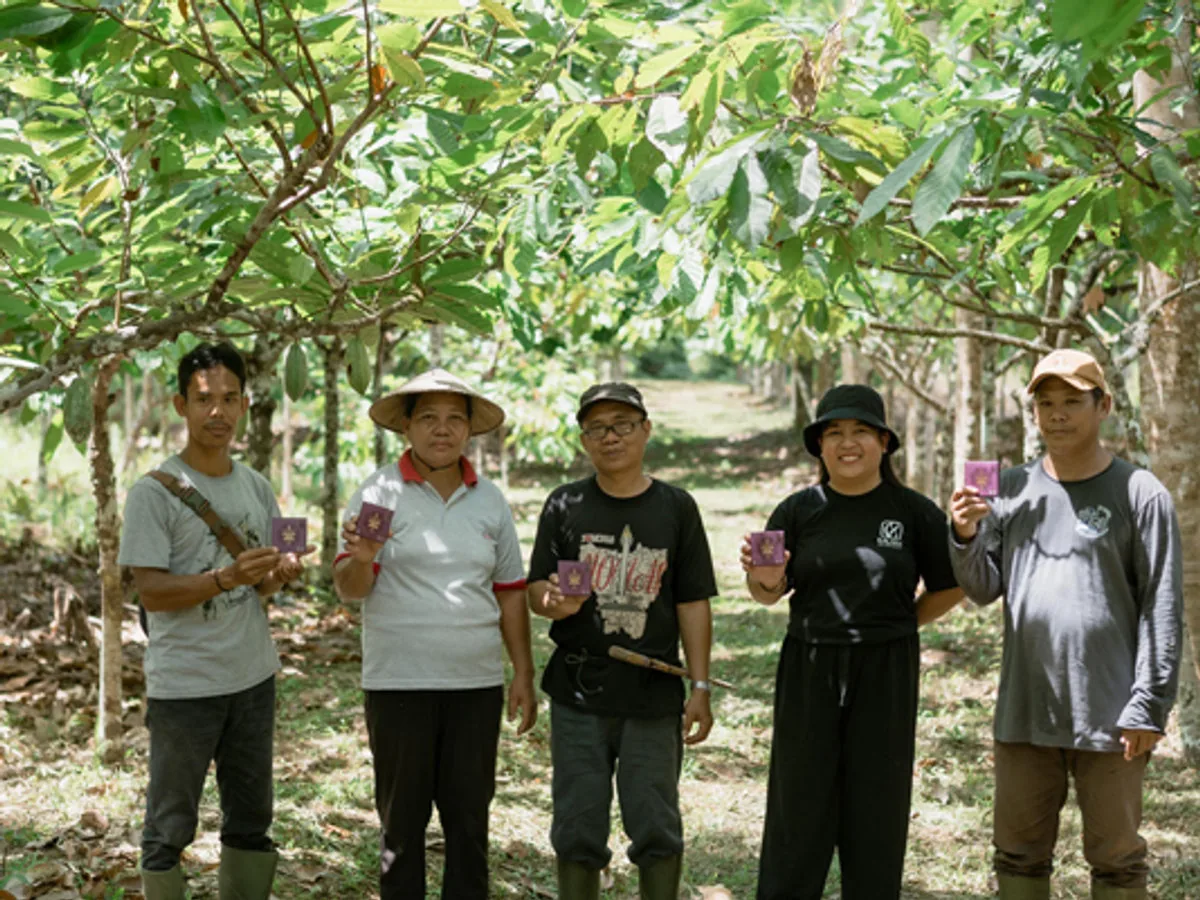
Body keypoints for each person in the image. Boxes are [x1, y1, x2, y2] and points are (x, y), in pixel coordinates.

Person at [948, 348, 1182, 900]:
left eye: (1072, 402)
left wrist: (1149, 703)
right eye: (1045, 403)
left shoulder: (1139, 492)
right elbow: (982, 589)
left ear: (1103, 406)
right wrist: (962, 536)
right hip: (1027, 708)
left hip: (1113, 713)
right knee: (1019, 855)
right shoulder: (1008, 490)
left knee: (1118, 860)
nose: (1056, 415)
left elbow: (1161, 604)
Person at [745, 383, 964, 900]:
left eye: (861, 431)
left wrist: (901, 622)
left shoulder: (913, 512)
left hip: (886, 667)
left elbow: (951, 584)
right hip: (810, 662)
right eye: (834, 433)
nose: (848, 443)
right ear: (819, 446)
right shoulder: (799, 511)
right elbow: (766, 595)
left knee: (877, 803)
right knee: (799, 803)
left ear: (884, 442)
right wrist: (765, 575)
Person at [334, 367, 536, 900]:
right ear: (407, 428)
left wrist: (523, 672)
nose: (441, 430)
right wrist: (363, 558)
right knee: (401, 823)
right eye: (428, 418)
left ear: (469, 429)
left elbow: (510, 590)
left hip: (474, 683)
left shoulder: (490, 500)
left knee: (469, 820)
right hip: (399, 682)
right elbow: (350, 587)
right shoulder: (379, 492)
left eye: (453, 419)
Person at [119, 341, 309, 900]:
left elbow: (264, 586)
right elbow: (151, 592)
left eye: (230, 399)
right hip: (185, 684)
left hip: (251, 677)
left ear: (247, 404)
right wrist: (224, 578)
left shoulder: (254, 486)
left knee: (252, 819)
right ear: (180, 405)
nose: (217, 412)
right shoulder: (153, 494)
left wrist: (280, 571)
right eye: (204, 400)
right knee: (169, 824)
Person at [526, 382, 717, 900]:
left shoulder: (677, 508)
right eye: (598, 429)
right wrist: (550, 601)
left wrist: (699, 685)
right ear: (584, 440)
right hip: (578, 688)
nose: (611, 438)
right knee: (577, 822)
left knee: (655, 819)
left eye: (623, 426)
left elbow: (693, 601)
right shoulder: (564, 504)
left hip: (652, 690)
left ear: (646, 430)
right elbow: (536, 585)